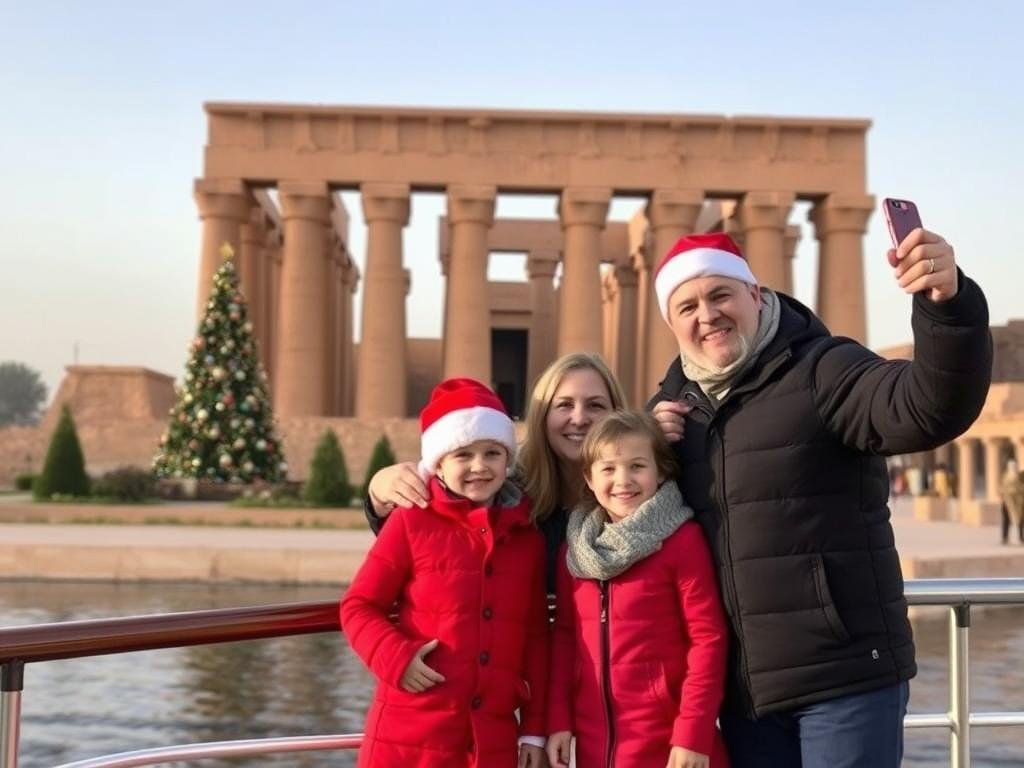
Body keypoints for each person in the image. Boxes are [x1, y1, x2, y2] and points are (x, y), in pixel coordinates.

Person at [649, 229, 992, 767]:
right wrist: (645, 450)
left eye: (721, 295)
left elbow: (928, 408)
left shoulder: (825, 369)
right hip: (746, 697)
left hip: (844, 679)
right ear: (672, 325)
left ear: (757, 296)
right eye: (687, 306)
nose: (707, 315)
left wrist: (947, 309)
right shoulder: (672, 413)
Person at [340, 378, 549, 767]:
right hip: (407, 738)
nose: (479, 466)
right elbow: (358, 606)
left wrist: (534, 728)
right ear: (438, 463)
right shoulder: (411, 522)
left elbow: (536, 640)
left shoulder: (527, 539)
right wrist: (395, 658)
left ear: (508, 461)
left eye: (492, 453)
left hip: (492, 742)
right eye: (463, 455)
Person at [547, 410, 730, 768]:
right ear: (589, 477)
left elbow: (707, 639)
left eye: (637, 466)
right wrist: (557, 721)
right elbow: (565, 639)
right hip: (594, 745)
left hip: (670, 746)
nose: (623, 480)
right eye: (609, 468)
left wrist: (694, 733)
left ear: (660, 471)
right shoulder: (576, 551)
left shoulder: (681, 541)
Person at [364, 353, 628, 589]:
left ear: (616, 415)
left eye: (596, 405)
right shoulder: (505, 490)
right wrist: (378, 494)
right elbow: (433, 540)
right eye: (564, 405)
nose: (580, 419)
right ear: (542, 416)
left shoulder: (634, 490)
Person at [1000, 459, 1024, 545]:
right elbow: (1002, 488)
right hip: (1007, 501)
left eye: (1014, 466)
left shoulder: (1021, 476)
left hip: (1019, 502)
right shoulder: (1006, 476)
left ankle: (1021, 537)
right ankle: (1005, 537)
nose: (1013, 467)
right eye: (1011, 466)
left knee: (1020, 520)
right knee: (1006, 520)